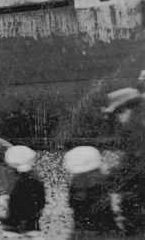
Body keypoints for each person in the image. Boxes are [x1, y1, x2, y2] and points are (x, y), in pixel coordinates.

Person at [103, 87, 145, 235]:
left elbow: (137, 166)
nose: (118, 119)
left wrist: (111, 180)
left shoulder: (138, 132)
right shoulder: (134, 130)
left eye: (119, 112)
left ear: (130, 109)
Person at [63, 146, 118, 236]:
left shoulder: (79, 182)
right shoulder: (101, 180)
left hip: (87, 228)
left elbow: (75, 203)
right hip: (102, 227)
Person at [0, 145, 45, 235]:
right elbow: (41, 198)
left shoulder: (17, 183)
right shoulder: (36, 180)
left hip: (19, 212)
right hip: (33, 212)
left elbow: (13, 200)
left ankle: (15, 225)